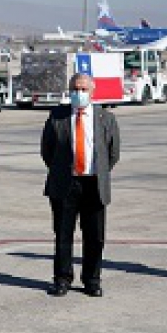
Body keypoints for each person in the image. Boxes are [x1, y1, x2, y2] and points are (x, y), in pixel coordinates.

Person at [41, 72, 120, 297]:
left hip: (94, 183)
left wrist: (97, 173)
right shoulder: (57, 116)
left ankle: (92, 280)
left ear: (92, 92)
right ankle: (62, 278)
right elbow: (47, 150)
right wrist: (63, 171)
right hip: (66, 183)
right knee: (63, 234)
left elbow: (113, 153)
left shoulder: (106, 118)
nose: (79, 93)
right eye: (75, 89)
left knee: (95, 236)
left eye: (84, 89)